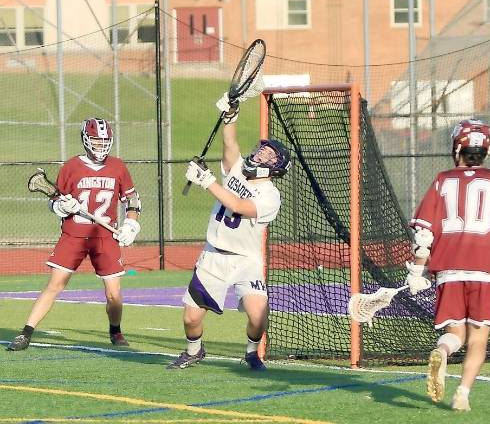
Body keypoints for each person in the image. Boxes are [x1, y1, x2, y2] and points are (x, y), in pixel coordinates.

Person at [405, 119, 490, 411]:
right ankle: (462, 394)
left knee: (456, 334)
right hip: (486, 269)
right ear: (485, 150)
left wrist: (416, 270)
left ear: (456, 148)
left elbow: (424, 235)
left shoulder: (442, 180)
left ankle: (442, 350)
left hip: (449, 267)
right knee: (478, 337)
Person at [166, 93, 291, 371]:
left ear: (275, 167)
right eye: (263, 149)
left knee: (258, 314)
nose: (261, 153)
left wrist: (207, 180)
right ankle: (194, 351)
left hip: (246, 259)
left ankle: (250, 353)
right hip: (214, 256)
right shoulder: (236, 171)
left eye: (269, 155)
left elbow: (238, 205)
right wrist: (231, 116)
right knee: (191, 318)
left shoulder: (270, 196)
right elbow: (230, 143)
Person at [7, 118, 142, 351]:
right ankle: (26, 332)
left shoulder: (118, 167)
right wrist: (61, 207)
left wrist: (131, 225)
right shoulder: (71, 167)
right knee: (55, 284)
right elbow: (54, 202)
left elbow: (132, 200)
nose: (100, 147)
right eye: (96, 142)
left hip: (104, 237)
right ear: (85, 141)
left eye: (104, 142)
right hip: (73, 235)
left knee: (114, 294)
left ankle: (115, 330)